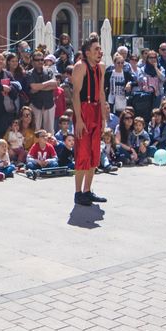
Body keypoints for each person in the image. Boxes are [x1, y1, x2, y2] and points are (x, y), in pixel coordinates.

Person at [68, 38, 108, 206]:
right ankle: (78, 193)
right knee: (83, 152)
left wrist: (104, 117)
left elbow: (101, 93)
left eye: (100, 48)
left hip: (96, 110)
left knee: (94, 153)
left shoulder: (101, 68)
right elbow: (75, 94)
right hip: (84, 109)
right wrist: (78, 119)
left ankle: (88, 190)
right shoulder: (80, 66)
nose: (100, 52)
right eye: (96, 49)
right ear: (87, 52)